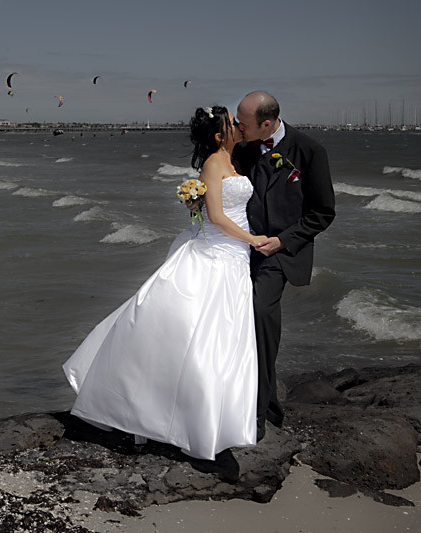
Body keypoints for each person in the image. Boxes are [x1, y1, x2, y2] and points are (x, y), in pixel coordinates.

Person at [63, 106, 266, 460]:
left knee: (223, 337)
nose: (237, 125)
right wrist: (254, 239)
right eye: (230, 124)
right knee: (199, 333)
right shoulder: (215, 164)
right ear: (220, 136)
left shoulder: (234, 160)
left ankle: (212, 416)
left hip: (234, 256)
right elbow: (216, 217)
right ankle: (176, 417)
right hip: (222, 250)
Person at [232, 91, 336, 441]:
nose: (237, 127)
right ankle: (268, 406)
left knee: (260, 317)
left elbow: (322, 212)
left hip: (280, 253)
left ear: (266, 123)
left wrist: (283, 240)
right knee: (235, 323)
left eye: (241, 123)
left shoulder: (309, 151)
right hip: (240, 248)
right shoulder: (243, 148)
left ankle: (257, 417)